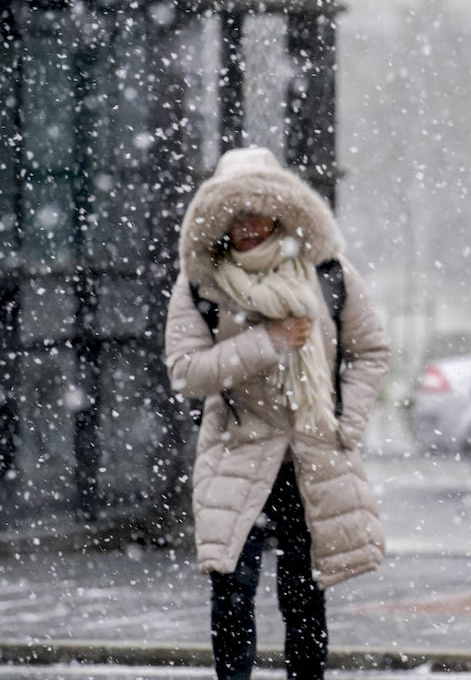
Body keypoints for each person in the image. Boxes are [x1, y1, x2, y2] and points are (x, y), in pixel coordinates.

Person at [164, 146, 389, 680]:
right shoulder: (202, 283)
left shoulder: (327, 272)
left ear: (280, 212)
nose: (246, 226)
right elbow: (187, 371)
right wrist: (268, 341)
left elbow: (370, 351)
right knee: (231, 591)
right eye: (234, 215)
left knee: (305, 594)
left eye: (258, 212)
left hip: (310, 454)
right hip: (236, 451)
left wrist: (347, 422)